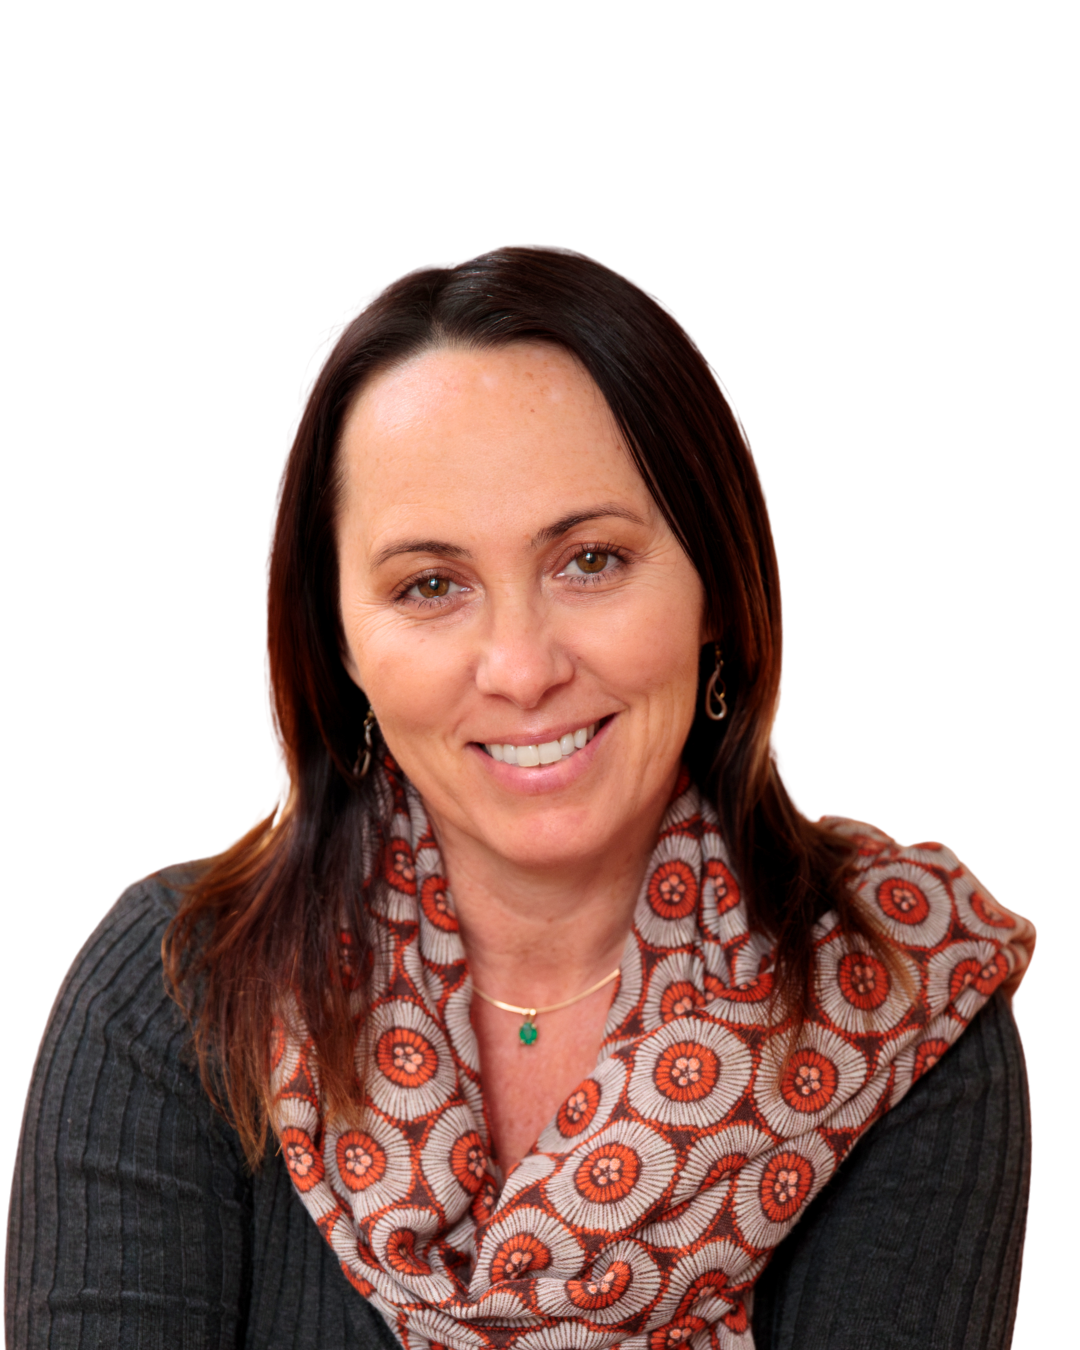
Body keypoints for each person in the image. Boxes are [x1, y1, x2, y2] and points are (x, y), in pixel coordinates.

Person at [7, 248, 1035, 1350]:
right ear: (341, 641)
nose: (521, 666)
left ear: (716, 591)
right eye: (431, 586)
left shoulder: (896, 1002)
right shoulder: (179, 990)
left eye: (590, 560)